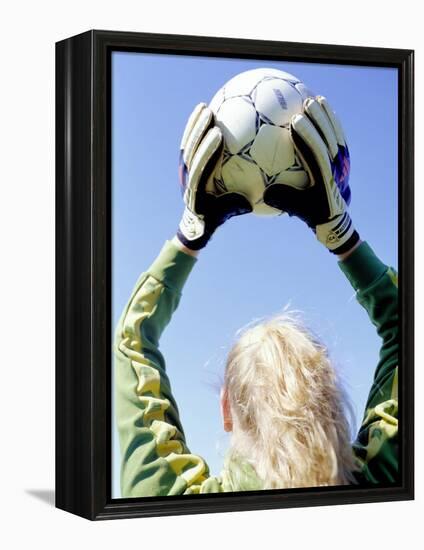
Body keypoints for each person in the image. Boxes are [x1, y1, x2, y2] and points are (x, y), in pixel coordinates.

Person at [114, 96, 398, 497]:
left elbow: (132, 342)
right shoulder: (384, 481)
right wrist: (341, 234)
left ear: (226, 409)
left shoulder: (169, 498)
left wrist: (189, 234)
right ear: (332, 403)